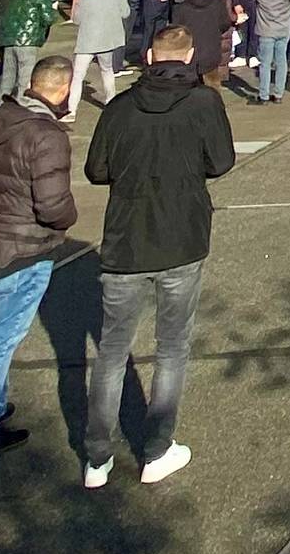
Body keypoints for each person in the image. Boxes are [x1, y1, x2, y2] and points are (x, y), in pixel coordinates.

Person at [81, 24, 235, 488]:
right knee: (171, 349)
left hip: (126, 239)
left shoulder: (120, 107)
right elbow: (221, 162)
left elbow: (96, 170)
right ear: (188, 57)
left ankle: (96, 458)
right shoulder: (204, 102)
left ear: (150, 55)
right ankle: (157, 449)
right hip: (182, 237)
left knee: (111, 351)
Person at [0, 56, 78, 458]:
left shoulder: (3, 121)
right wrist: (68, 219)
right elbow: (53, 204)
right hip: (25, 249)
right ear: (62, 89)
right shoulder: (48, 135)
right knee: (1, 341)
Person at [69, 0, 131, 121]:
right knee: (107, 70)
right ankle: (110, 102)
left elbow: (76, 20)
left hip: (87, 41)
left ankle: (71, 110)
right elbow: (126, 13)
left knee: (77, 76)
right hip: (107, 40)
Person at [173, 0, 235, 89]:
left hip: (190, 50)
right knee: (212, 84)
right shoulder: (219, 2)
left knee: (189, 86)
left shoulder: (184, 4)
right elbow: (225, 23)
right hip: (211, 48)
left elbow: (177, 26)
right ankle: (213, 105)